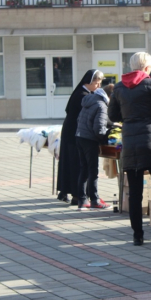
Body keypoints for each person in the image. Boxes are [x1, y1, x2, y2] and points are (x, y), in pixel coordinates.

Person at [109, 52, 151, 247]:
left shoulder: (120, 87)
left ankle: (137, 236)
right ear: (147, 67)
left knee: (135, 193)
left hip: (130, 142)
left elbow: (112, 115)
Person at [56, 69, 105, 204]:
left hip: (73, 131)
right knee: (76, 164)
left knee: (72, 163)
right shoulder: (82, 95)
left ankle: (70, 192)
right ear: (89, 81)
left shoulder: (82, 93)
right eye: (97, 83)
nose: (98, 86)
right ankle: (78, 195)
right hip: (75, 133)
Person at [75, 88, 112, 210]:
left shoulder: (89, 100)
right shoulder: (102, 106)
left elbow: (80, 119)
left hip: (80, 136)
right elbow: (99, 129)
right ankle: (95, 200)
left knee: (83, 169)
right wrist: (105, 137)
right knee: (92, 171)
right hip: (90, 140)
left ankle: (82, 200)